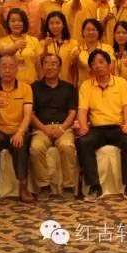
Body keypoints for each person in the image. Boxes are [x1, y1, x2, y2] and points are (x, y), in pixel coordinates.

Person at [76, 49, 127, 203]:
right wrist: (83, 126)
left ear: (109, 64)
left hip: (117, 127)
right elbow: (82, 110)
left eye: (101, 62)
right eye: (94, 64)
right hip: (96, 128)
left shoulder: (121, 83)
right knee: (83, 142)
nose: (98, 66)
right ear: (91, 68)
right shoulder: (86, 85)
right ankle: (94, 187)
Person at [0, 55, 34, 203]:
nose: (7, 70)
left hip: (18, 129)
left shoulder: (26, 88)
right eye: (3, 67)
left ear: (17, 69)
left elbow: (28, 114)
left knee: (20, 144)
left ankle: (23, 187)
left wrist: (20, 132)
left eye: (11, 66)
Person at [30, 54, 77, 200]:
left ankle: (69, 187)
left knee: (67, 146)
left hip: (64, 128)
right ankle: (44, 186)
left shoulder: (69, 88)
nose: (50, 67)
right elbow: (31, 114)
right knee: (36, 148)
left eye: (54, 63)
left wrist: (62, 129)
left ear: (60, 67)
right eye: (46, 63)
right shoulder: (34, 88)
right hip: (41, 128)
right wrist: (44, 129)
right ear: (42, 66)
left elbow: (72, 112)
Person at [0, 8, 42, 85]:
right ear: (8, 23)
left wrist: (42, 83)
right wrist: (16, 46)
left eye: (20, 21)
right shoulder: (1, 41)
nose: (16, 23)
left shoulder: (34, 40)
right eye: (13, 21)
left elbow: (38, 66)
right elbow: (4, 52)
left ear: (24, 23)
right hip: (11, 85)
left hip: (32, 84)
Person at [41, 11, 78, 84]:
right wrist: (45, 47)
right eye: (51, 23)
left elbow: (74, 67)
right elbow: (40, 63)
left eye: (58, 23)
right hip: (48, 83)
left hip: (67, 82)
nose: (54, 26)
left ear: (63, 25)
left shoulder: (72, 43)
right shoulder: (43, 43)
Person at [76, 18, 114, 85]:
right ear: (83, 32)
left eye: (94, 29)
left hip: (105, 85)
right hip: (84, 87)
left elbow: (111, 69)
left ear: (99, 32)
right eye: (88, 29)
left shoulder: (107, 48)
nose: (91, 32)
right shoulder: (77, 50)